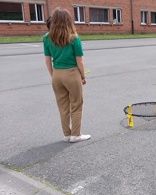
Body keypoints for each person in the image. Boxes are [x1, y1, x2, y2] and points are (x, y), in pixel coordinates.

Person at [43, 8, 90, 143]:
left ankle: (67, 134)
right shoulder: (74, 38)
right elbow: (79, 60)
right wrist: (82, 76)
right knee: (76, 104)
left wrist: (53, 75)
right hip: (71, 73)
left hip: (57, 74)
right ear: (68, 21)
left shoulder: (47, 38)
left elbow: (47, 60)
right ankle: (76, 134)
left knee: (63, 106)